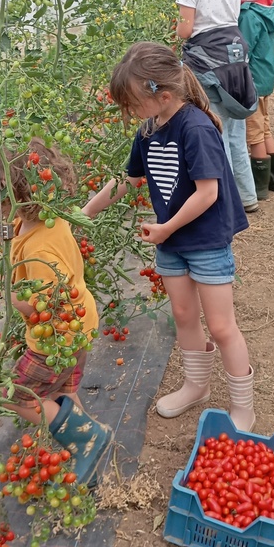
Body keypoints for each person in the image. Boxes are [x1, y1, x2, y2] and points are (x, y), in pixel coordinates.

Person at [82, 42, 256, 431]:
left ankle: (243, 407)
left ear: (161, 95)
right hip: (172, 242)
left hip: (207, 240)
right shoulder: (148, 130)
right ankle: (196, 385)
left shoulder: (194, 127)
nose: (128, 114)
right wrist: (84, 212)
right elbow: (128, 180)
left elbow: (207, 193)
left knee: (222, 325)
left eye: (130, 104)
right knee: (183, 314)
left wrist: (166, 227)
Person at [0, 138, 112, 485]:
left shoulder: (40, 250)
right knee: (63, 391)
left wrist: (4, 294)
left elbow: (41, 305)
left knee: (13, 395)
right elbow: (6, 237)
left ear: (10, 196)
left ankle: (89, 438)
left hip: (56, 336)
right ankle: (87, 449)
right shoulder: (40, 219)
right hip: (79, 327)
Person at [176, 0, 259, 213]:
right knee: (236, 130)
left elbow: (186, 30)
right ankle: (247, 197)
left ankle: (224, 204)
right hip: (235, 56)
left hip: (206, 61)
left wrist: (177, 27)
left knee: (214, 132)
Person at [232, 0, 274, 200]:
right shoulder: (265, 7)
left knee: (253, 135)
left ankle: (259, 187)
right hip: (265, 79)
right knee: (264, 129)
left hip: (253, 82)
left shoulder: (248, 15)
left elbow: (243, 50)